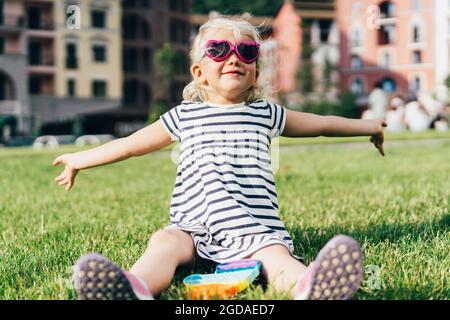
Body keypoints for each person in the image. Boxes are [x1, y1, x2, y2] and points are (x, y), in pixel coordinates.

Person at [52, 16, 387, 300]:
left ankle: (310, 287)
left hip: (253, 226)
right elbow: (129, 144)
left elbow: (323, 125)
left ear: (256, 72)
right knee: (164, 243)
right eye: (218, 50)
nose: (234, 57)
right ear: (199, 72)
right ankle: (133, 287)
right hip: (193, 227)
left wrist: (369, 126)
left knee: (276, 258)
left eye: (246, 51)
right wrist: (80, 159)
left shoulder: (265, 113)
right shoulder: (184, 115)